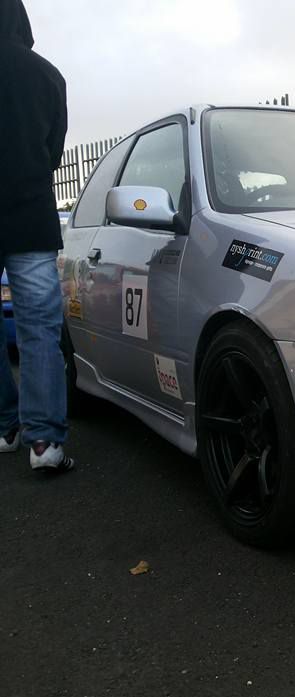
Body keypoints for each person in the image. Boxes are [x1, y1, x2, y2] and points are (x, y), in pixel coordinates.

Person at [0, 0, 74, 472]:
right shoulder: (48, 77)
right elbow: (53, 155)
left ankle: (6, 427)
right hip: (29, 218)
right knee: (39, 331)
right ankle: (43, 443)